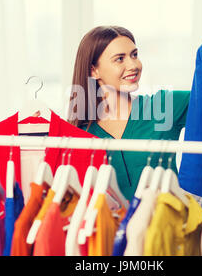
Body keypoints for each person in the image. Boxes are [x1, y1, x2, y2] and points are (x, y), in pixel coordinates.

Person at [67, 26, 191, 201]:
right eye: (119, 59)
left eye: (134, 55)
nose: (133, 65)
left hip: (167, 226)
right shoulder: (80, 134)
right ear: (94, 70)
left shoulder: (165, 106)